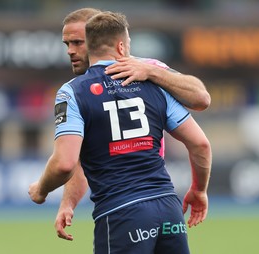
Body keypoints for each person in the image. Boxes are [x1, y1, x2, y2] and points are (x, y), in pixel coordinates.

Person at [29, 11, 212, 254]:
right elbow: (200, 144)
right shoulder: (147, 88)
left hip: (121, 210)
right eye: (67, 44)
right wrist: (68, 202)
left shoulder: (145, 73)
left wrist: (40, 189)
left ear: (95, 39)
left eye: (78, 42)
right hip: (167, 204)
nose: (70, 51)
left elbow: (202, 98)